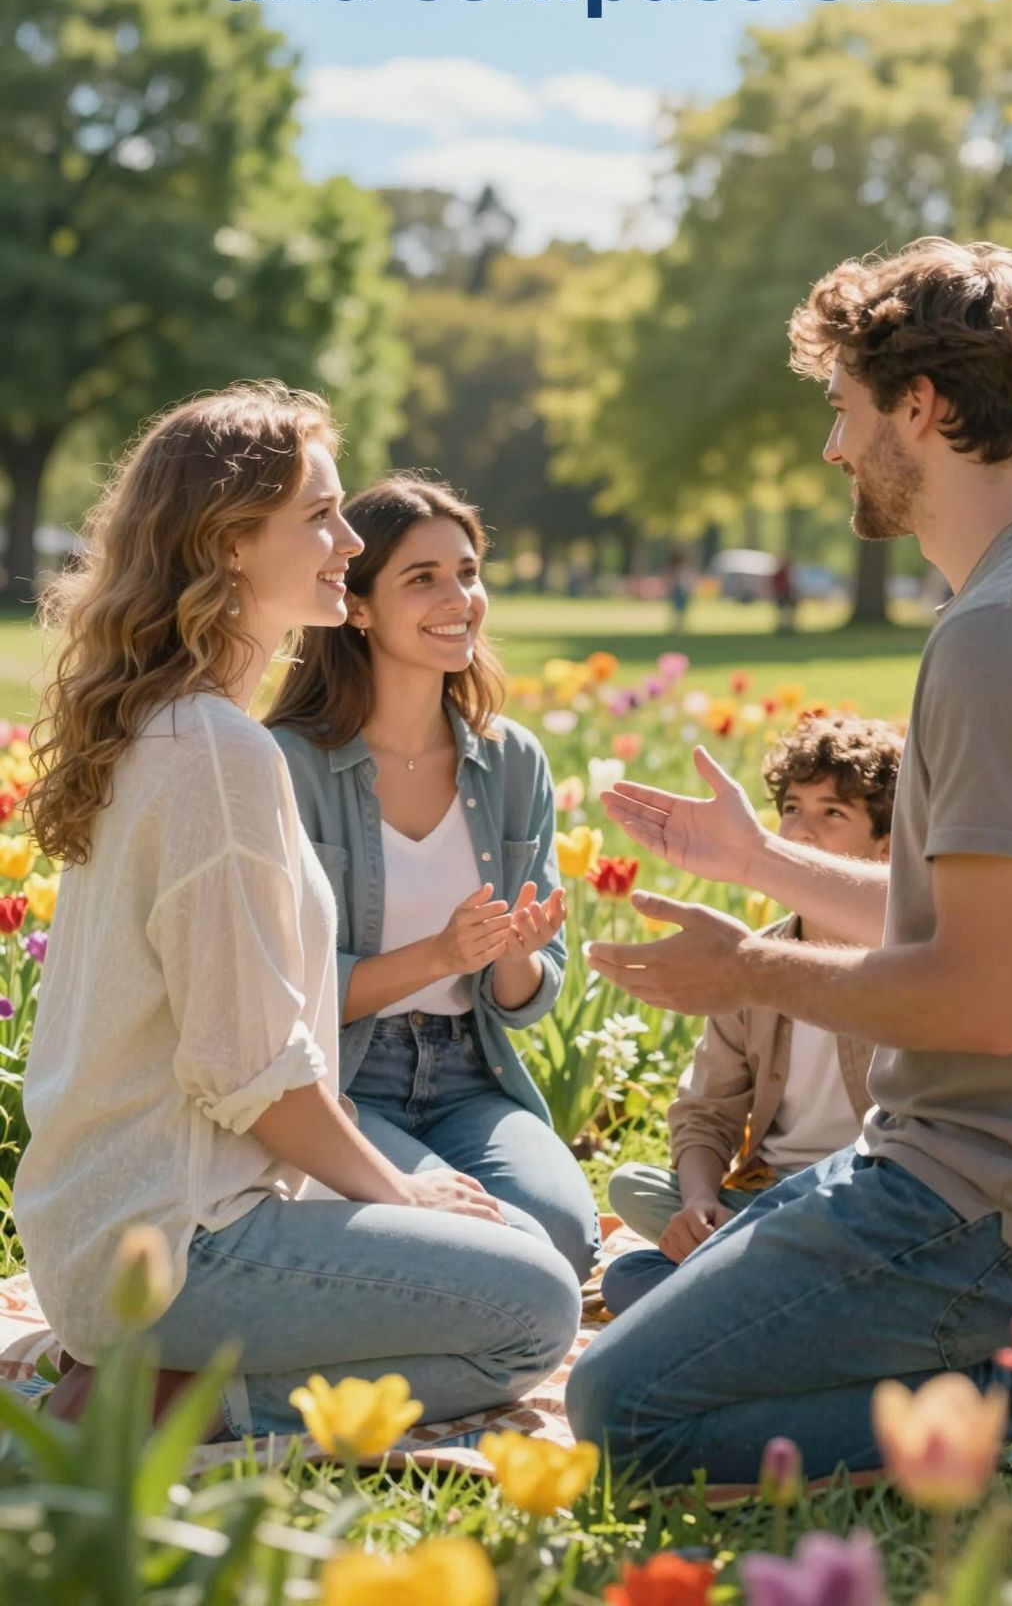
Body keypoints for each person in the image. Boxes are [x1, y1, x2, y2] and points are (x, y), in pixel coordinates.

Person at [567, 237, 1012, 1486]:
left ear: (920, 406)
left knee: (621, 1405)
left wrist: (747, 970)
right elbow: (988, 916)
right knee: (654, 1272)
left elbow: (979, 998)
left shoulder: (1008, 635)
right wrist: (764, 860)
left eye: (844, 408)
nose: (835, 446)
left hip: (983, 1208)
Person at [14, 386, 580, 1439]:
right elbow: (255, 1076)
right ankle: (166, 1402)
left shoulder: (176, 728)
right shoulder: (215, 754)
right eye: (320, 515)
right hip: (176, 1243)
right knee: (535, 1308)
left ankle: (168, 1373)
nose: (349, 541)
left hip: (118, 1220)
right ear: (230, 543)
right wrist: (397, 1193)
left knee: (521, 1236)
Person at [264, 473, 599, 1283]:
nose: (459, 599)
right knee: (497, 1250)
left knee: (559, 1236)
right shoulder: (288, 764)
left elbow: (525, 1000)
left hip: (469, 1074)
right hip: (343, 1080)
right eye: (423, 578)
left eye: (467, 572)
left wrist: (513, 953)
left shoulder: (513, 760)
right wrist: (440, 956)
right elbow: (281, 1000)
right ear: (358, 606)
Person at [602, 713, 901, 1315]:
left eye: (832, 813)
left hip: (863, 1196)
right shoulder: (744, 959)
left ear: (886, 848)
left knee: (643, 1283)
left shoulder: (904, 963)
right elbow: (707, 1110)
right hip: (768, 1198)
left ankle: (741, 1293)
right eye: (791, 808)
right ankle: (784, 1293)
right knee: (631, 1197)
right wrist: (697, 1202)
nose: (801, 831)